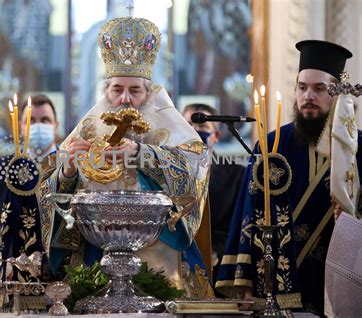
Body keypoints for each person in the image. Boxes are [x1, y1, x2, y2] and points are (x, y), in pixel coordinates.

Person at [38, 16, 212, 298]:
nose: (126, 99)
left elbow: (196, 165)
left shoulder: (168, 123)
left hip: (161, 251)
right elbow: (52, 188)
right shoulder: (90, 127)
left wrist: (141, 153)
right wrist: (67, 173)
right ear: (106, 91)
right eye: (118, 90)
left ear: (149, 92)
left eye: (135, 90)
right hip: (99, 249)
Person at [215, 40, 360, 315]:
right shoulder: (271, 146)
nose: (308, 96)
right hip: (277, 285)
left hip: (337, 277)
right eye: (302, 87)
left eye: (320, 89)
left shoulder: (356, 148)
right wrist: (243, 281)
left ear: (338, 94)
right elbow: (248, 212)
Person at [0, 94, 59, 281]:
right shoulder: (2, 168)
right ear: (21, 127)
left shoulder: (69, 165)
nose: (38, 126)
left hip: (61, 272)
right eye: (31, 121)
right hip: (14, 273)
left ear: (56, 124)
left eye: (45, 120)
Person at [182, 103, 245, 285]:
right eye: (188, 125)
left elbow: (237, 225)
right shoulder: (167, 175)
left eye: (202, 126)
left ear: (216, 135)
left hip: (222, 269)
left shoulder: (235, 176)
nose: (194, 130)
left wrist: (216, 251)